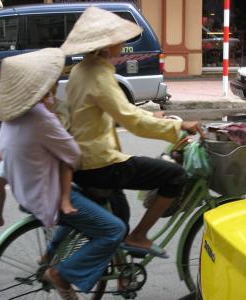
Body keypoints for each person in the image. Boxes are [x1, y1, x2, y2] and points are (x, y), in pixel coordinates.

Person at [61, 7, 204, 258]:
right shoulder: (98, 75)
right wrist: (178, 125)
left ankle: (124, 271)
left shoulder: (82, 70)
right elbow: (131, 121)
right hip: (99, 162)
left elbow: (120, 109)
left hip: (83, 159)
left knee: (120, 217)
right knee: (175, 176)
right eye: (119, 39)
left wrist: (153, 115)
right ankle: (139, 237)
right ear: (107, 45)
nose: (124, 44)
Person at [0, 48, 126, 299]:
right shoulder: (42, 117)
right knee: (114, 229)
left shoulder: (12, 116)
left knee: (84, 210)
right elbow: (72, 154)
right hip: (49, 197)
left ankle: (50, 255)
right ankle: (62, 274)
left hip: (26, 195)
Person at [0, 86, 76, 233]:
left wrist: (50, 113)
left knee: (65, 162)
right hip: (23, 156)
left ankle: (65, 199)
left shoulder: (56, 107)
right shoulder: (20, 110)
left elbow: (62, 136)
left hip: (48, 150)